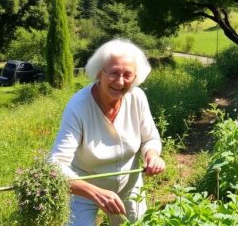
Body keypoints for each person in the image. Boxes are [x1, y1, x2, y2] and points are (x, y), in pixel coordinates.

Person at [50, 39, 166, 225]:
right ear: (99, 73)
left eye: (128, 75)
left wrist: (152, 155)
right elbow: (55, 165)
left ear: (136, 77)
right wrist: (94, 192)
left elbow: (149, 138)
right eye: (113, 73)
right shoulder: (78, 107)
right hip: (84, 186)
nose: (120, 82)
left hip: (130, 185)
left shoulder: (137, 97)